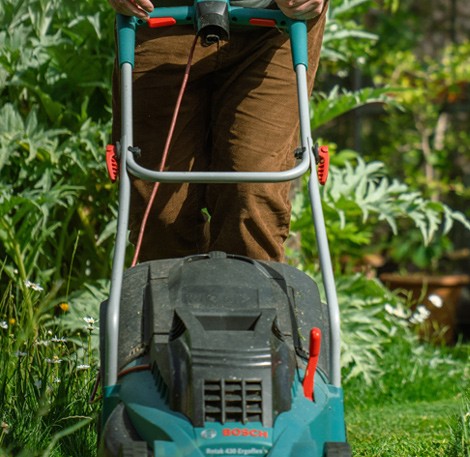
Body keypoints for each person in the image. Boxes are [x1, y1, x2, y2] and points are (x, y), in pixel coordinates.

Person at [107, 0, 328, 263]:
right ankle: (168, 300)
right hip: (159, 18)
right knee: (160, 214)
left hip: (275, 26)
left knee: (252, 201)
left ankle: (251, 299)